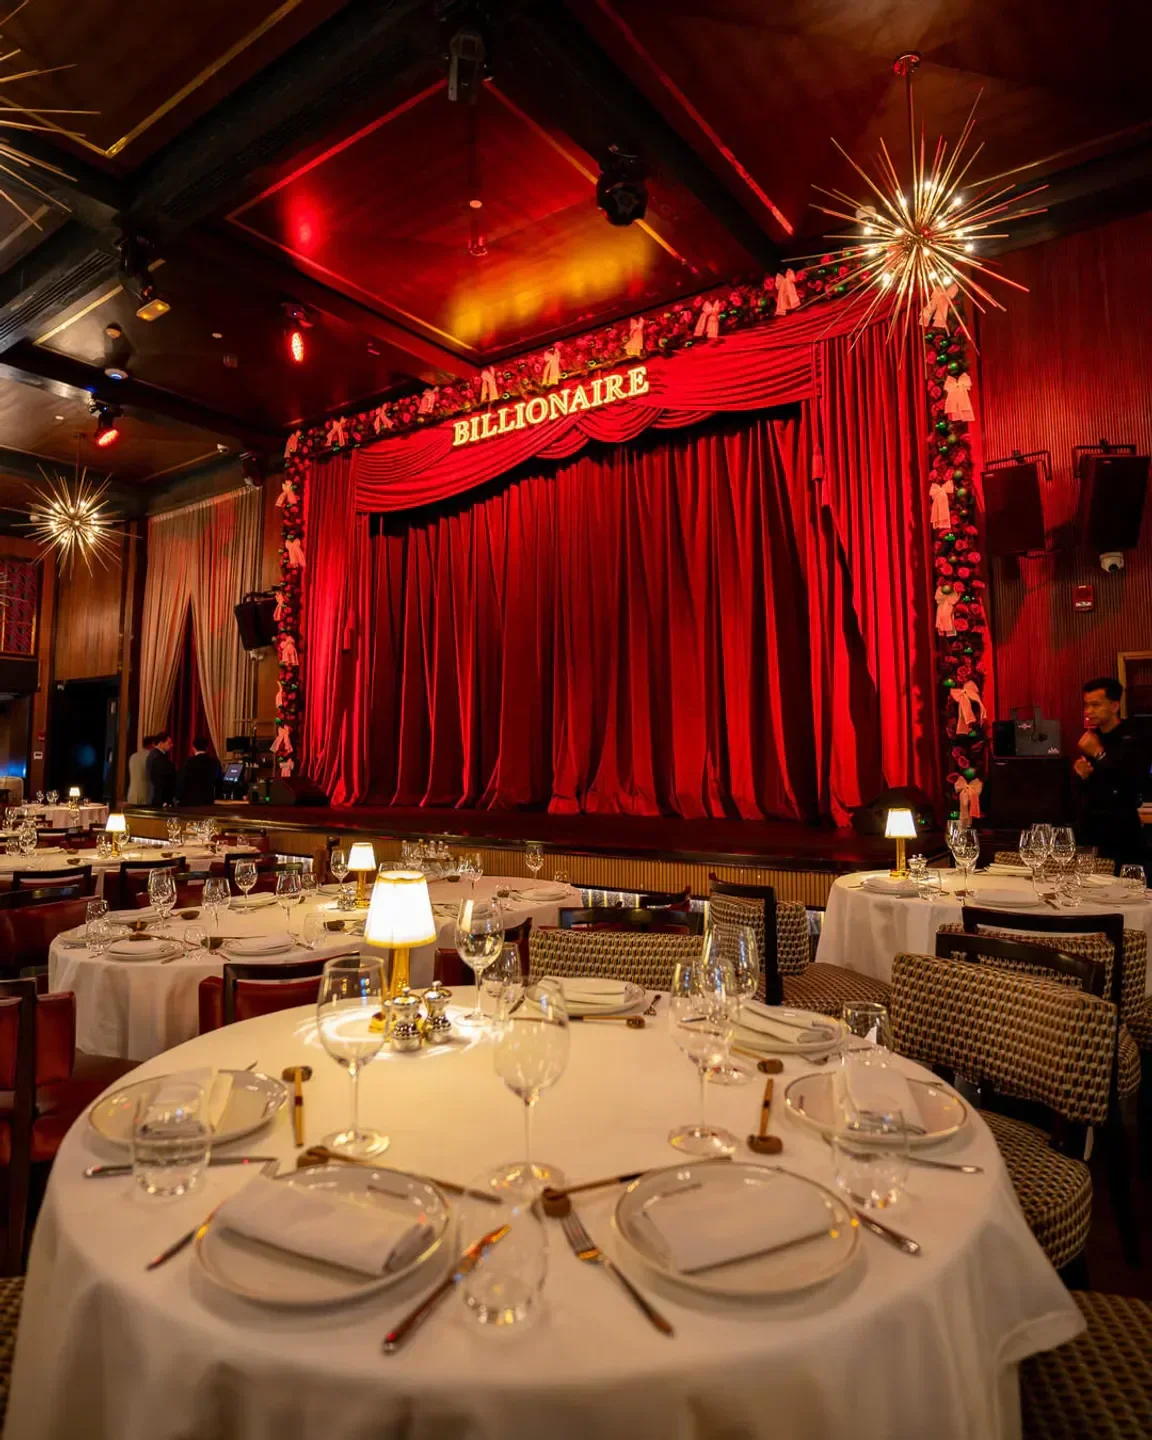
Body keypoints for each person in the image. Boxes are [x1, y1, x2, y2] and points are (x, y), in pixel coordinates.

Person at [1073, 677, 1151, 866]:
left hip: (1124, 832)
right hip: (1091, 829)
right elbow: (1089, 789)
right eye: (1086, 705)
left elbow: (1134, 781)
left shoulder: (1135, 735)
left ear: (1115, 706)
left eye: (1096, 705)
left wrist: (1099, 754)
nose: (1088, 711)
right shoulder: (1091, 737)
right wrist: (1080, 775)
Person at [176, 735, 223, 807]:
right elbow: (219, 781)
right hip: (208, 800)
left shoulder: (189, 762)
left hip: (190, 800)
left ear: (193, 748)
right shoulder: (215, 762)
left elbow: (181, 781)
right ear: (207, 748)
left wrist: (178, 797)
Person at [145, 731, 177, 807]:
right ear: (161, 743)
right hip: (161, 798)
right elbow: (162, 780)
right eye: (169, 743)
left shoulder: (154, 755)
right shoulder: (158, 757)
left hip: (158, 796)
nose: (171, 745)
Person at [126, 734, 153, 805]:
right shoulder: (151, 757)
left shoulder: (133, 756)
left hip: (132, 794)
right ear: (153, 744)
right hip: (146, 795)